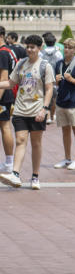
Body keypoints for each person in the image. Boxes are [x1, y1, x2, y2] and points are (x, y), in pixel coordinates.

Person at [0, 34, 55, 189]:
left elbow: (49, 89)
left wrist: (44, 109)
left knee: (36, 143)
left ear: (39, 48)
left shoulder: (45, 66)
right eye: (28, 46)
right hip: (20, 110)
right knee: (20, 141)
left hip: (37, 110)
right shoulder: (21, 64)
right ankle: (15, 174)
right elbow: (11, 83)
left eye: (33, 47)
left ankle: (35, 176)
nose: (29, 49)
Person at [52, 38, 75, 171]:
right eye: (65, 47)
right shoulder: (59, 63)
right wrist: (56, 80)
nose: (67, 49)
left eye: (70, 47)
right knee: (65, 131)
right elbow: (56, 83)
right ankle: (67, 158)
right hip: (61, 101)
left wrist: (72, 80)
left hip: (74, 101)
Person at [0, 25, 16, 174]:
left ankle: (9, 162)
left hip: (3, 96)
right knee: (4, 127)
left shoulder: (3, 53)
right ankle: (8, 162)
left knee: (5, 127)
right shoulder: (8, 51)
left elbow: (4, 78)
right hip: (6, 95)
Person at [39, 32, 63, 124]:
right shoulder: (58, 54)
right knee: (54, 97)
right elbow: (60, 67)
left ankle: (47, 115)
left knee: (45, 96)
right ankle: (52, 116)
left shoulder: (41, 53)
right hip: (54, 79)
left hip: (44, 78)